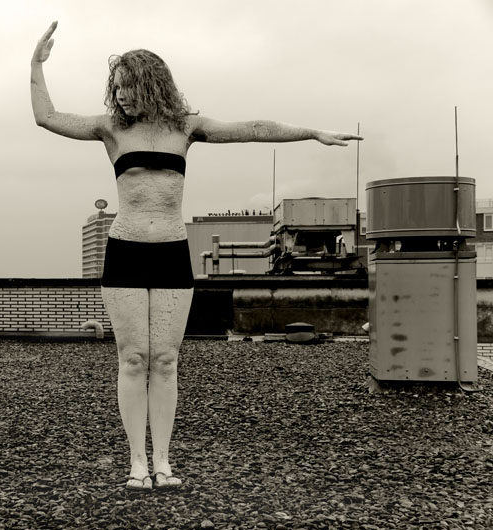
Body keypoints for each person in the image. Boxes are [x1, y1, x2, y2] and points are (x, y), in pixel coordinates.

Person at [30, 21, 361, 491]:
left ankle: (163, 462)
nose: (119, 95)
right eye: (115, 87)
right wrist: (37, 64)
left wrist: (313, 133)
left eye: (127, 86)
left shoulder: (186, 127)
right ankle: (137, 462)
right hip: (125, 252)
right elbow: (46, 117)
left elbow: (253, 129)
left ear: (150, 84)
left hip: (171, 252)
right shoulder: (110, 129)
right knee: (133, 358)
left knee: (165, 359)